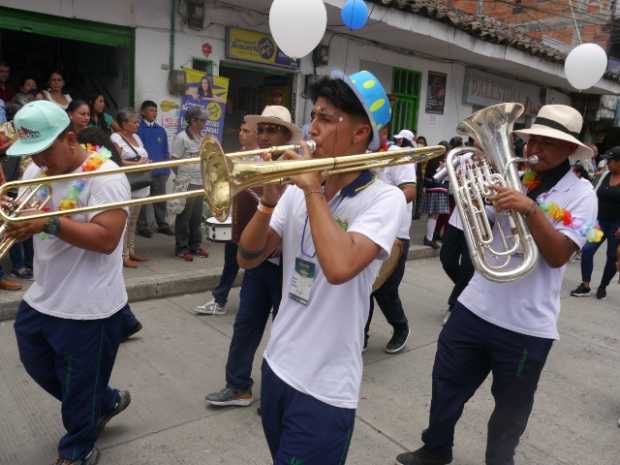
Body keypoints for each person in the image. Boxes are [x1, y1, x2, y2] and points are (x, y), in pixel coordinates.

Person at [396, 104, 598, 465]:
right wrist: (474, 196)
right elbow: (484, 230)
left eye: (548, 143)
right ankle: (436, 449)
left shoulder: (581, 194)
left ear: (569, 149)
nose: (534, 147)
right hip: (475, 306)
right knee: (445, 386)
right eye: (532, 138)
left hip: (527, 325)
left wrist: (530, 209)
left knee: (510, 412)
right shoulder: (513, 176)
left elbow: (557, 255)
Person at [238, 71, 405, 464]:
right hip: (277, 366)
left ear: (361, 132)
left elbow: (339, 266)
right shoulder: (298, 192)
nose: (312, 128)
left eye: (327, 119)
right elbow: (248, 257)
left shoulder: (385, 199)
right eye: (313, 115)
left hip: (325, 388)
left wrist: (312, 187)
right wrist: (267, 201)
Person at [8, 100, 132, 465]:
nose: (38, 161)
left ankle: (78, 449)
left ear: (70, 139)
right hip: (44, 294)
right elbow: (27, 220)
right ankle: (103, 400)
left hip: (88, 305)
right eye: (31, 152)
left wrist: (48, 222)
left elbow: (107, 239)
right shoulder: (35, 171)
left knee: (78, 387)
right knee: (36, 361)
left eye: (44, 150)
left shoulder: (106, 176)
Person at [205, 105, 301, 406]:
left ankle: (278, 394)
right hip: (260, 260)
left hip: (289, 263)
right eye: (261, 129)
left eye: (272, 130)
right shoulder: (249, 161)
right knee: (246, 324)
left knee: (287, 331)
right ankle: (238, 386)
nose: (264, 135)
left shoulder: (299, 166)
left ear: (286, 135)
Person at [77, 127, 143, 342]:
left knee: (106, 281)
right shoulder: (102, 165)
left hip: (108, 223)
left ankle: (122, 323)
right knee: (112, 280)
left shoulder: (100, 169)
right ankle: (127, 322)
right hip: (111, 219)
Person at [194, 120, 257, 315]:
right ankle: (219, 299)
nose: (241, 133)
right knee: (231, 262)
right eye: (240, 129)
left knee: (254, 266)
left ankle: (253, 304)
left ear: (257, 134)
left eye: (246, 131)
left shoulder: (262, 157)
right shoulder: (236, 153)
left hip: (254, 219)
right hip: (236, 217)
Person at [364, 130, 416, 353]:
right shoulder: (361, 154)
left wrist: (380, 208)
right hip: (366, 230)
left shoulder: (398, 155)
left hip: (396, 234)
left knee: (386, 290)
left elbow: (410, 191)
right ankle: (359, 336)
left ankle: (401, 327)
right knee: (363, 288)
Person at [570, 146, 620, 299]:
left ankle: (603, 286)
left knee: (612, 257)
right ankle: (585, 285)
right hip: (600, 222)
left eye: (610, 161)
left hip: (617, 226)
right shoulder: (605, 174)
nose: (607, 164)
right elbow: (594, 195)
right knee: (587, 251)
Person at [111, 108, 151, 268]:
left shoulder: (136, 137)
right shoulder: (115, 138)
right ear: (124, 124)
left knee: (134, 220)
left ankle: (132, 250)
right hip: (128, 183)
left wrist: (146, 162)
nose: (137, 125)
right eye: (134, 122)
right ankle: (123, 255)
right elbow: (117, 161)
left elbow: (144, 156)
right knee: (125, 222)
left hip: (141, 183)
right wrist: (137, 164)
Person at [171, 106, 209, 261]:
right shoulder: (181, 137)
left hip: (200, 182)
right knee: (184, 217)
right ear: (193, 121)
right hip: (187, 183)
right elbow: (174, 161)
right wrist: (183, 178)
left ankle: (195, 246)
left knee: (196, 217)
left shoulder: (203, 137)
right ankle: (181, 248)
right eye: (202, 120)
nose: (205, 123)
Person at [136, 100, 173, 237]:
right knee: (143, 200)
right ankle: (142, 226)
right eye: (151, 110)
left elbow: (165, 151)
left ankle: (162, 224)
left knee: (160, 199)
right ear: (143, 112)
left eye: (155, 110)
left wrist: (166, 168)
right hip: (144, 172)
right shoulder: (138, 129)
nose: (154, 113)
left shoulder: (161, 130)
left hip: (160, 171)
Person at [422, 141, 449, 249]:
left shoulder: (432, 159)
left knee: (433, 215)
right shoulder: (441, 162)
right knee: (434, 215)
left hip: (432, 188)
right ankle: (429, 238)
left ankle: (429, 237)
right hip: (438, 189)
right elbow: (441, 176)